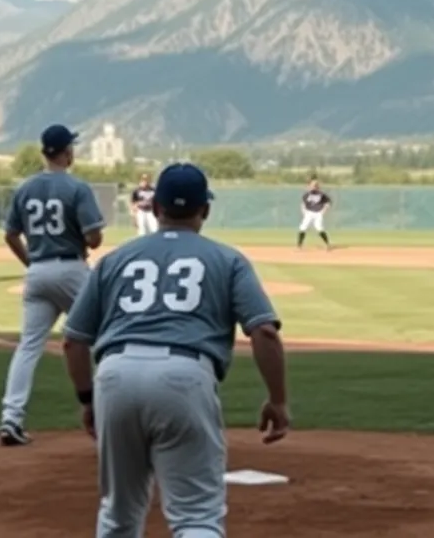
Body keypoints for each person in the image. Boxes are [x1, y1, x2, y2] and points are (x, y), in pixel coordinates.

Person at [63, 162, 290, 537]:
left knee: (118, 514)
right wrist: (278, 400)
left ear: (155, 209)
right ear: (206, 210)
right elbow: (264, 332)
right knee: (197, 517)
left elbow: (74, 340)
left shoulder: (115, 260)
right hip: (184, 377)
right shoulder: (228, 259)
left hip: (115, 376)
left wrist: (88, 399)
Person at [0, 124, 105, 446]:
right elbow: (94, 238)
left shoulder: (25, 188)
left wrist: (30, 261)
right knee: (105, 339)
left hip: (38, 271)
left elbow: (10, 234)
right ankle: (111, 414)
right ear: (67, 152)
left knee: (28, 346)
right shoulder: (77, 187)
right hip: (71, 268)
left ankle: (11, 418)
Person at [297, 178, 332, 250]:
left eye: (315, 185)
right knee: (303, 228)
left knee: (319, 228)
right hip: (309, 213)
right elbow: (303, 204)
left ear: (318, 186)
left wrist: (323, 211)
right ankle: (299, 245)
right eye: (312, 185)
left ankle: (327, 244)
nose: (314, 186)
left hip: (318, 213)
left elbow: (327, 203)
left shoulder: (322, 195)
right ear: (309, 186)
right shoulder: (307, 194)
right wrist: (304, 211)